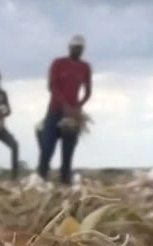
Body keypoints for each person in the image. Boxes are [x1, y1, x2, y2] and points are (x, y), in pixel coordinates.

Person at [37, 34, 92, 186]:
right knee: (48, 147)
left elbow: (88, 91)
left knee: (68, 149)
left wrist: (78, 106)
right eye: (75, 48)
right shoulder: (58, 63)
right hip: (55, 110)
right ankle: (41, 177)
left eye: (80, 48)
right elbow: (52, 86)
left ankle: (65, 179)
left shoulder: (85, 67)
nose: (77, 51)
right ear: (69, 48)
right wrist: (65, 106)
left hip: (72, 114)